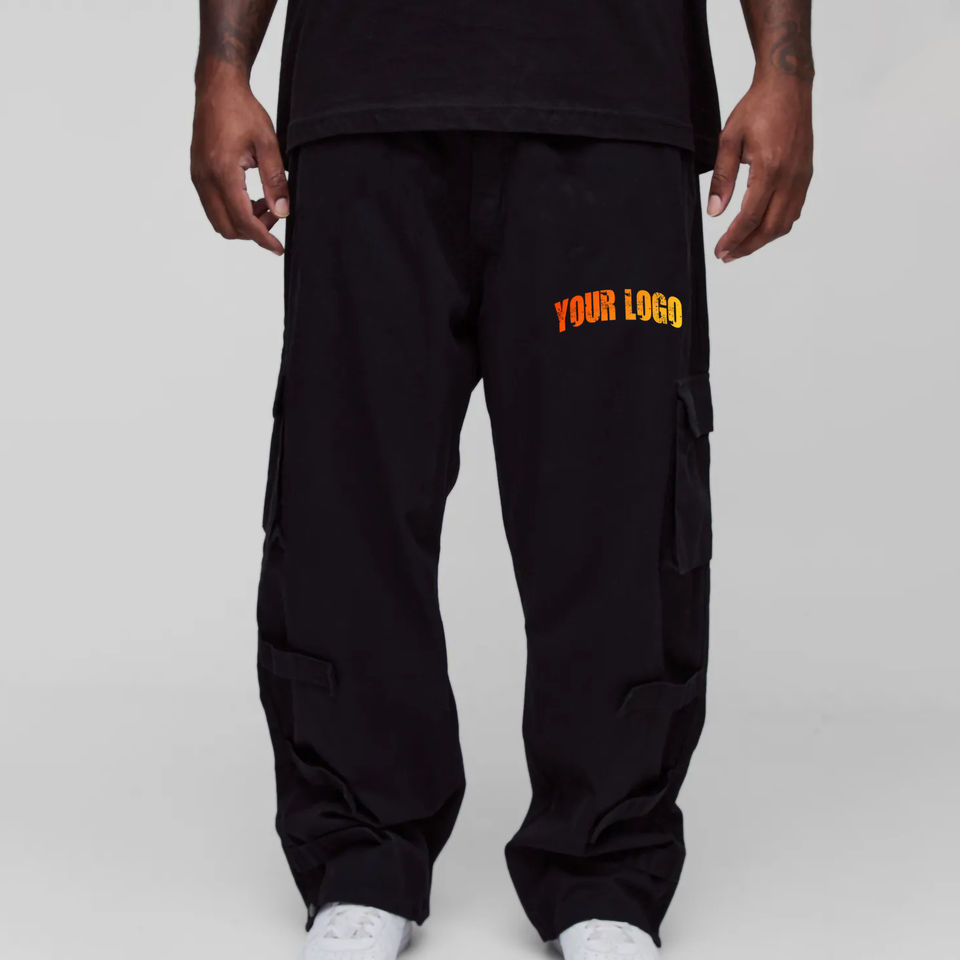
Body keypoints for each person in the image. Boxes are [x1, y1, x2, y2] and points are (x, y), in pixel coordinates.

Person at [190, 2, 813, 958]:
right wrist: (221, 69)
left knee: (619, 499)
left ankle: (606, 869)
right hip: (366, 92)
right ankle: (361, 858)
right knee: (345, 493)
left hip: (611, 96)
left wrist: (787, 68)